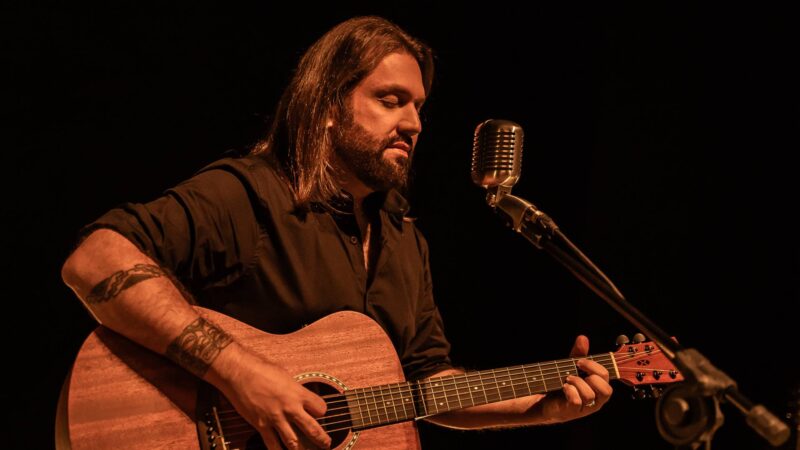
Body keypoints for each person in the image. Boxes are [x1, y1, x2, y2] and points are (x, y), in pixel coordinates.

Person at [61, 16, 612, 449]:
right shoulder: (252, 194)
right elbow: (95, 259)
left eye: (419, 107)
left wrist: (540, 409)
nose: (414, 124)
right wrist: (240, 373)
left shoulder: (404, 241)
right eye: (390, 100)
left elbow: (426, 384)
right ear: (325, 107)